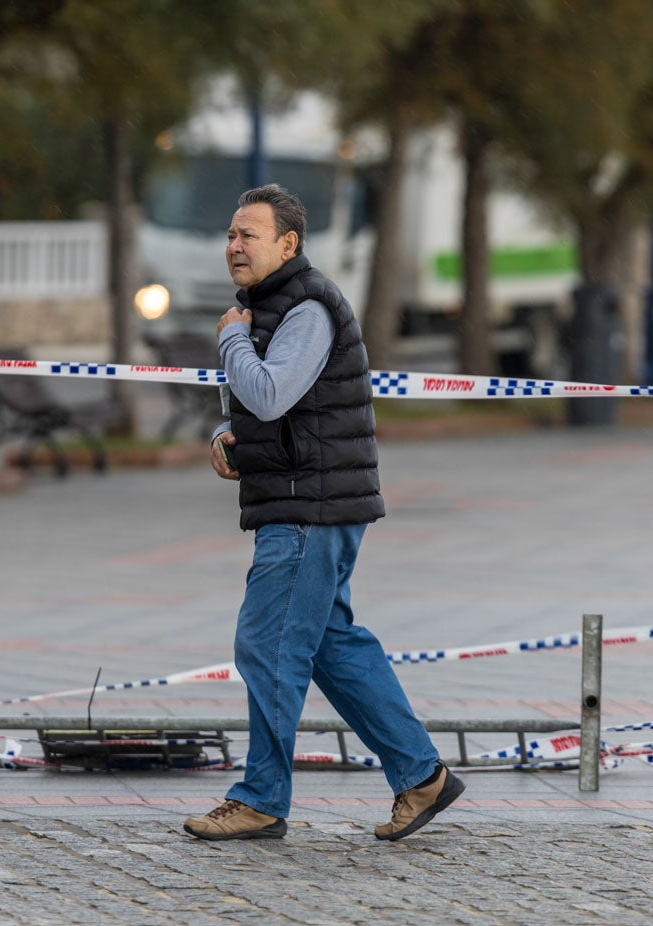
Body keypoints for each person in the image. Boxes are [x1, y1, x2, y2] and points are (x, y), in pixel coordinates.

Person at [183, 184, 464, 842]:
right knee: (331, 646)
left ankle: (260, 799)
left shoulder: (305, 306)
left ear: (288, 244)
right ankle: (421, 776)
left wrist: (231, 340)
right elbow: (267, 409)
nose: (234, 246)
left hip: (307, 508)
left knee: (267, 645)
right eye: (230, 235)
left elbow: (270, 393)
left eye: (248, 235)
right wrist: (228, 436)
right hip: (307, 499)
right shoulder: (271, 306)